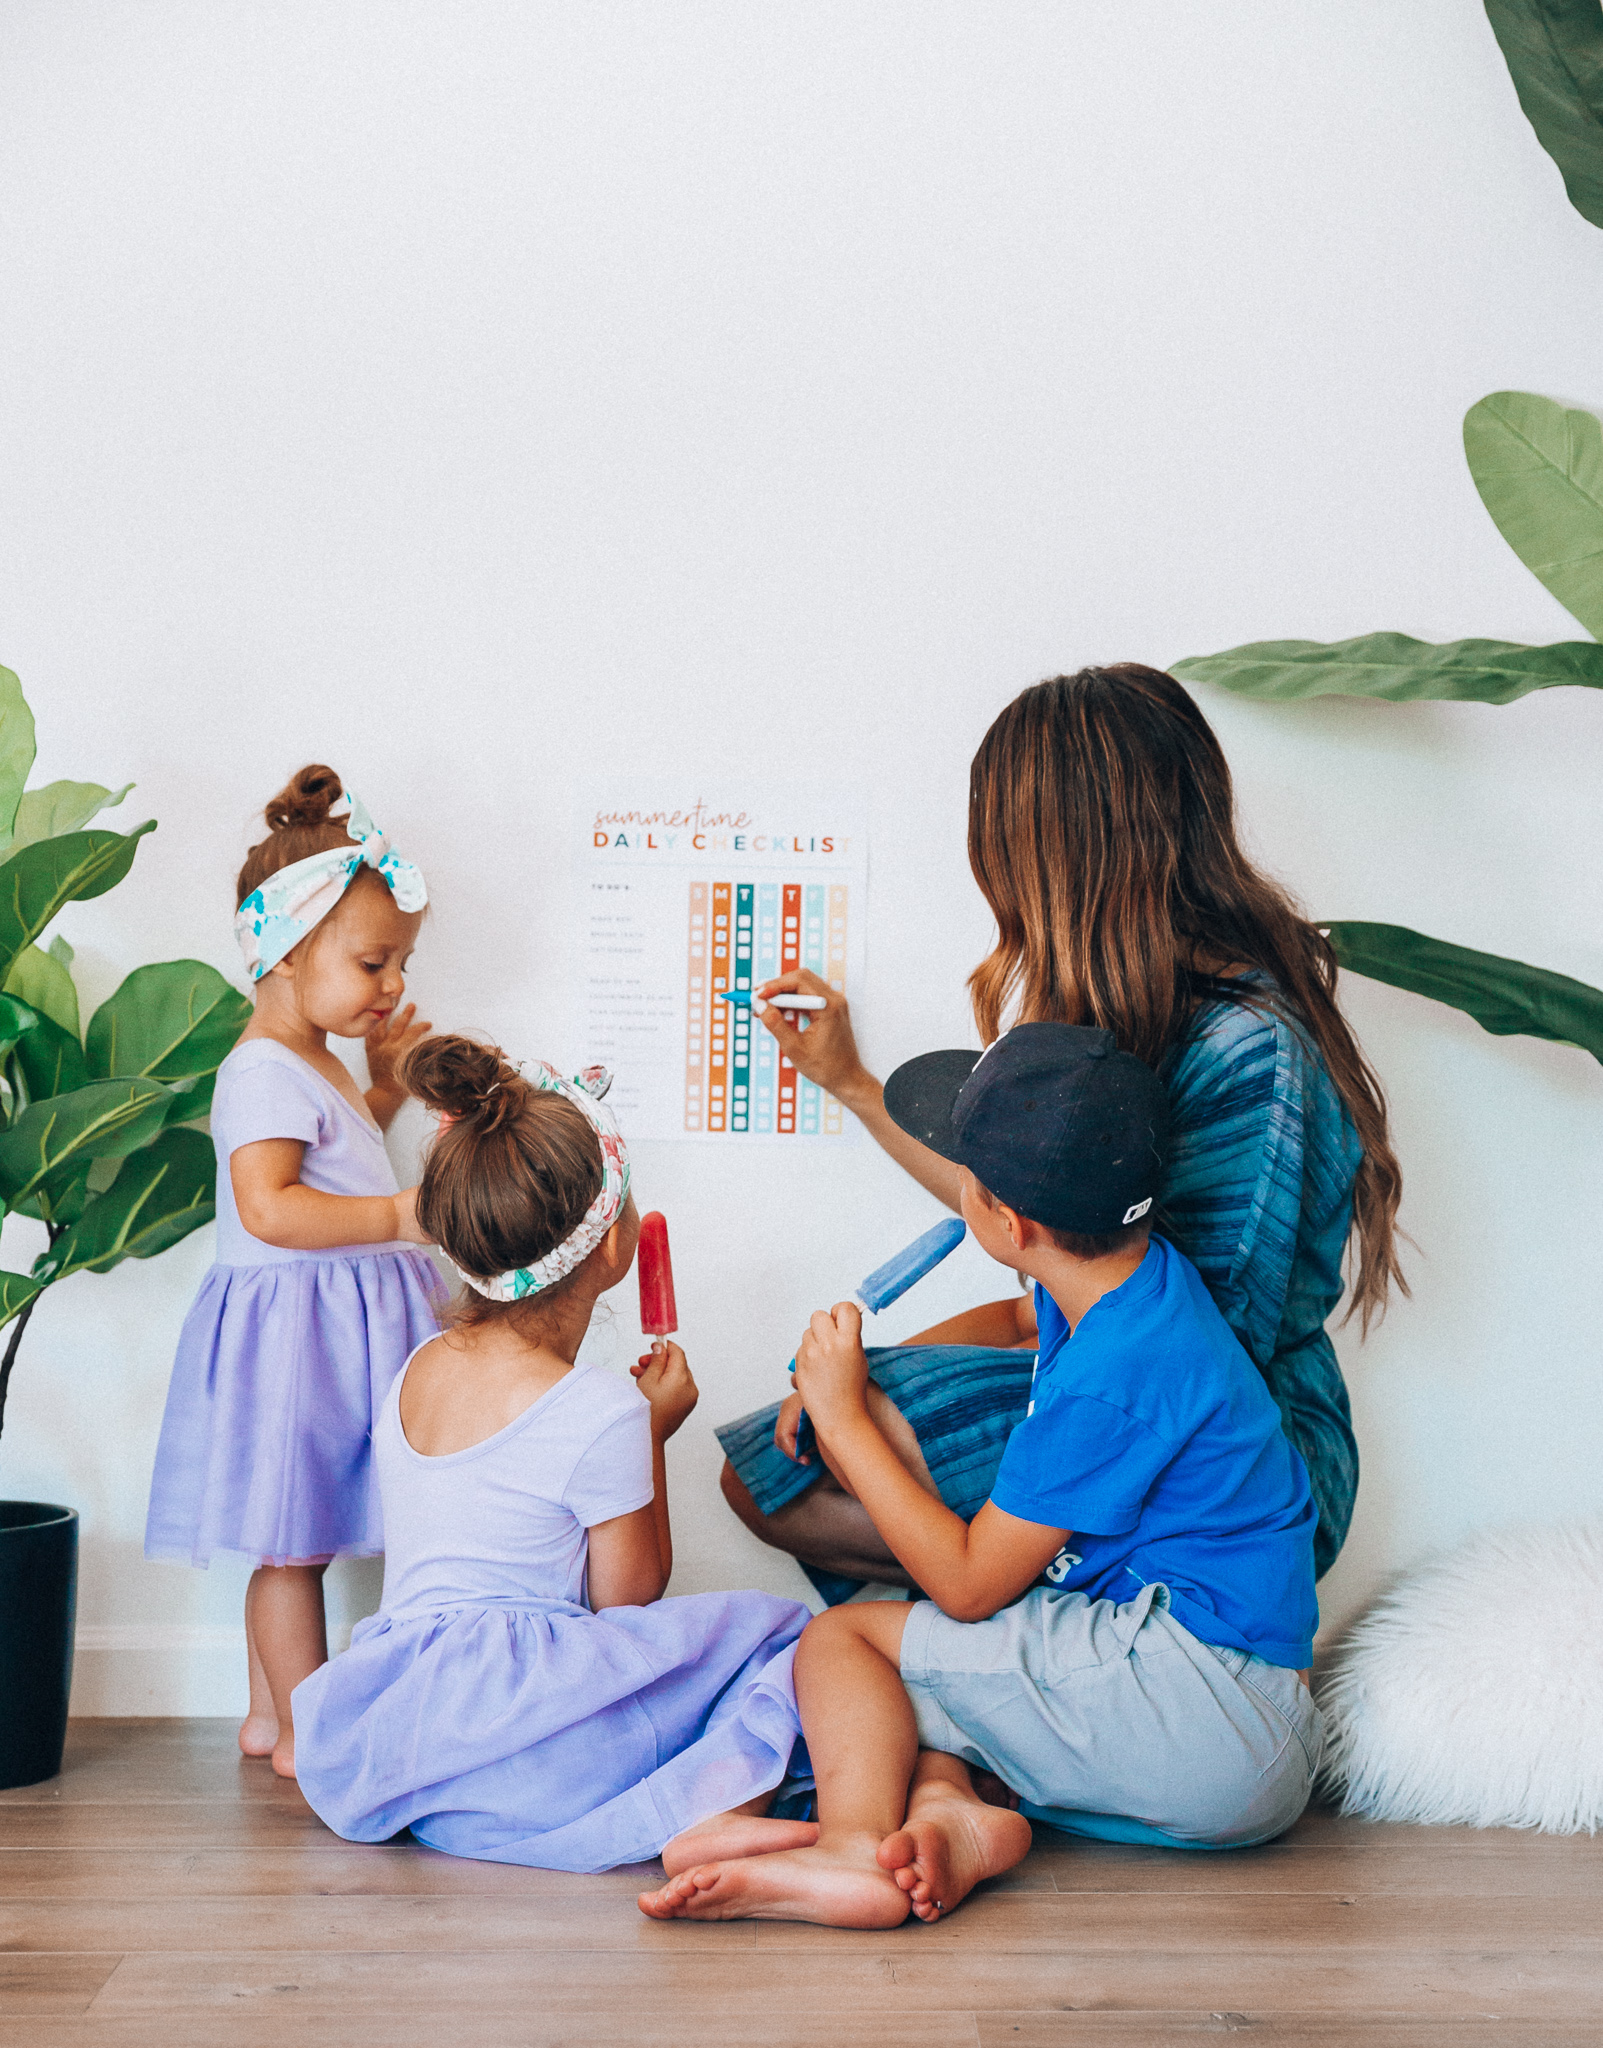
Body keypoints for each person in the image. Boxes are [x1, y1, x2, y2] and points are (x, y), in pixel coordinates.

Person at [717, 665, 1404, 1597]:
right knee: (772, 1467)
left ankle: (1025, 1632)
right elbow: (1023, 1218)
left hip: (1230, 1449)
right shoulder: (1129, 1012)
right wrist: (853, 1085)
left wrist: (859, 1406)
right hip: (1103, 1381)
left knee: (804, 1464)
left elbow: (1186, 1362)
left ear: (1068, 852)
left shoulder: (1248, 1049)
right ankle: (1020, 1644)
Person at [641, 1023, 1321, 1927]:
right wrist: (857, 1373)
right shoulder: (1128, 1281)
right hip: (1232, 1709)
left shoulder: (1113, 1380)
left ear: (1007, 1221)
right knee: (912, 1692)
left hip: (1203, 1708)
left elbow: (966, 1585)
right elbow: (1011, 1316)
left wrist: (846, 1422)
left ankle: (849, 1851)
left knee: (843, 1645)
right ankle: (951, 1814)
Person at [291, 1036, 814, 1873]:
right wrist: (649, 1432)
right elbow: (628, 1600)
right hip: (535, 1741)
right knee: (785, 1635)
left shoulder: (414, 1372)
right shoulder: (601, 1412)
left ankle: (497, 1812)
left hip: (413, 1735)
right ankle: (703, 1811)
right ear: (610, 1247)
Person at [144, 765, 443, 1779]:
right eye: (373, 962)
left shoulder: (308, 1058)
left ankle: (270, 1713)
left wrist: (387, 1092)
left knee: (293, 1534)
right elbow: (271, 1206)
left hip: (326, 1327)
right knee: (289, 1542)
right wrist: (405, 1213)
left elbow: (330, 1156)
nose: (394, 983)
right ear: (284, 951)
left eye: (398, 961)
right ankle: (307, 1723)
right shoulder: (262, 1067)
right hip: (296, 1337)